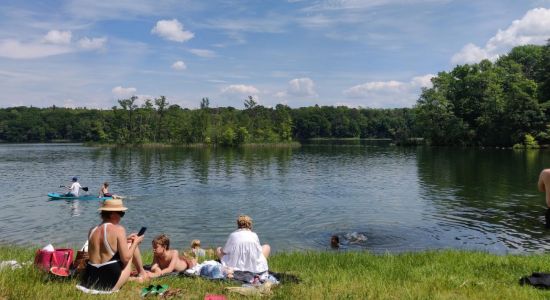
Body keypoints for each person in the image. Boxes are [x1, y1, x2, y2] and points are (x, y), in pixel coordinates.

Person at [79, 199, 148, 291]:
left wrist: (125, 239)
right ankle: (142, 274)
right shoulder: (119, 229)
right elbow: (126, 258)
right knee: (131, 246)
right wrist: (135, 242)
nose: (121, 217)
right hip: (110, 282)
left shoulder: (92, 230)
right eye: (121, 213)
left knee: (128, 243)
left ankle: (140, 275)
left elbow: (101, 248)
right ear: (112, 214)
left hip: (92, 278)